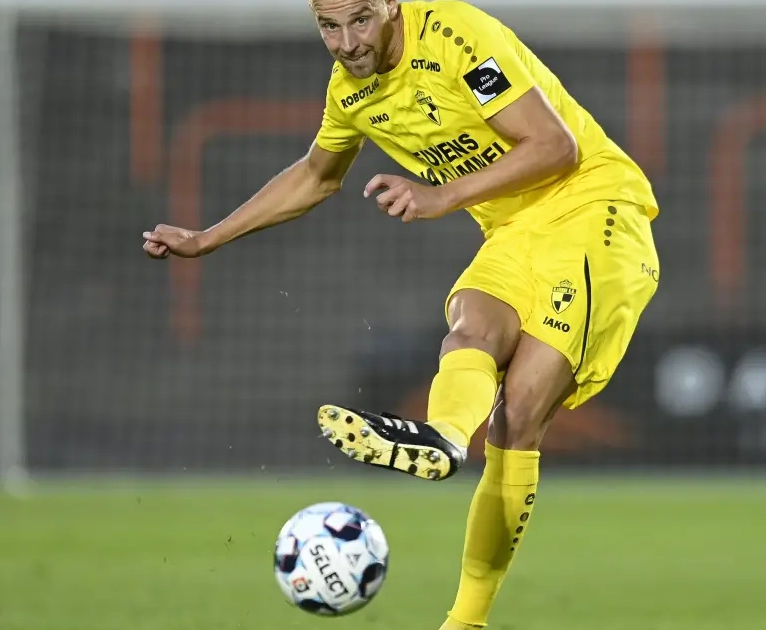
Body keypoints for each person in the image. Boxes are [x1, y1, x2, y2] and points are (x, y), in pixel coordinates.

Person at [142, 0, 660, 627]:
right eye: (328, 27)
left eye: (360, 19)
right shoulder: (350, 92)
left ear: (390, 4)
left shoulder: (456, 36)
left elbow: (556, 146)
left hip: (597, 210)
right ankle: (443, 438)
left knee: (520, 413)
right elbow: (316, 176)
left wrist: (442, 196)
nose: (346, 43)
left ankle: (464, 620)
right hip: (512, 233)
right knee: (471, 327)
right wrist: (207, 238)